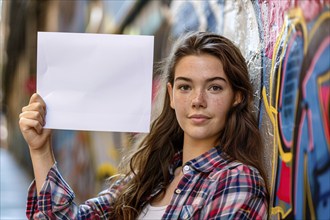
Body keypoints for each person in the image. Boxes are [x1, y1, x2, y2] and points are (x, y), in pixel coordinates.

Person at [19, 32, 269, 219]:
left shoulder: (237, 180)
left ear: (237, 96)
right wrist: (40, 150)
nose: (197, 101)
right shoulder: (150, 177)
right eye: (185, 87)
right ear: (171, 95)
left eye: (214, 87)